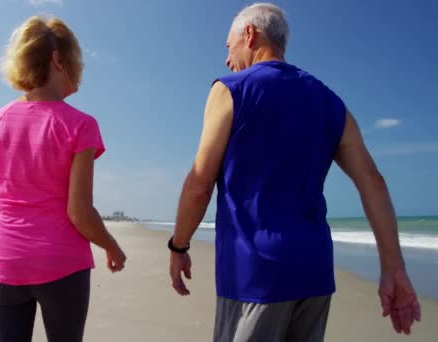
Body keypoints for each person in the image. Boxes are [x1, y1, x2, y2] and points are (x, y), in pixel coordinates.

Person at [167, 3, 421, 341]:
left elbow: (199, 183)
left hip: (255, 274)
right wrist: (394, 268)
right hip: (314, 273)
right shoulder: (330, 101)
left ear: (250, 34)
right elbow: (372, 182)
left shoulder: (230, 89)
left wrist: (178, 246)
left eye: (228, 47)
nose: (227, 59)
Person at [0, 16, 126, 342]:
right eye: (76, 60)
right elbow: (79, 211)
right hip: (61, 264)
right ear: (59, 60)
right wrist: (111, 246)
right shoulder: (80, 125)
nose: (79, 69)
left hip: (3, 259)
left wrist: (9, 247)